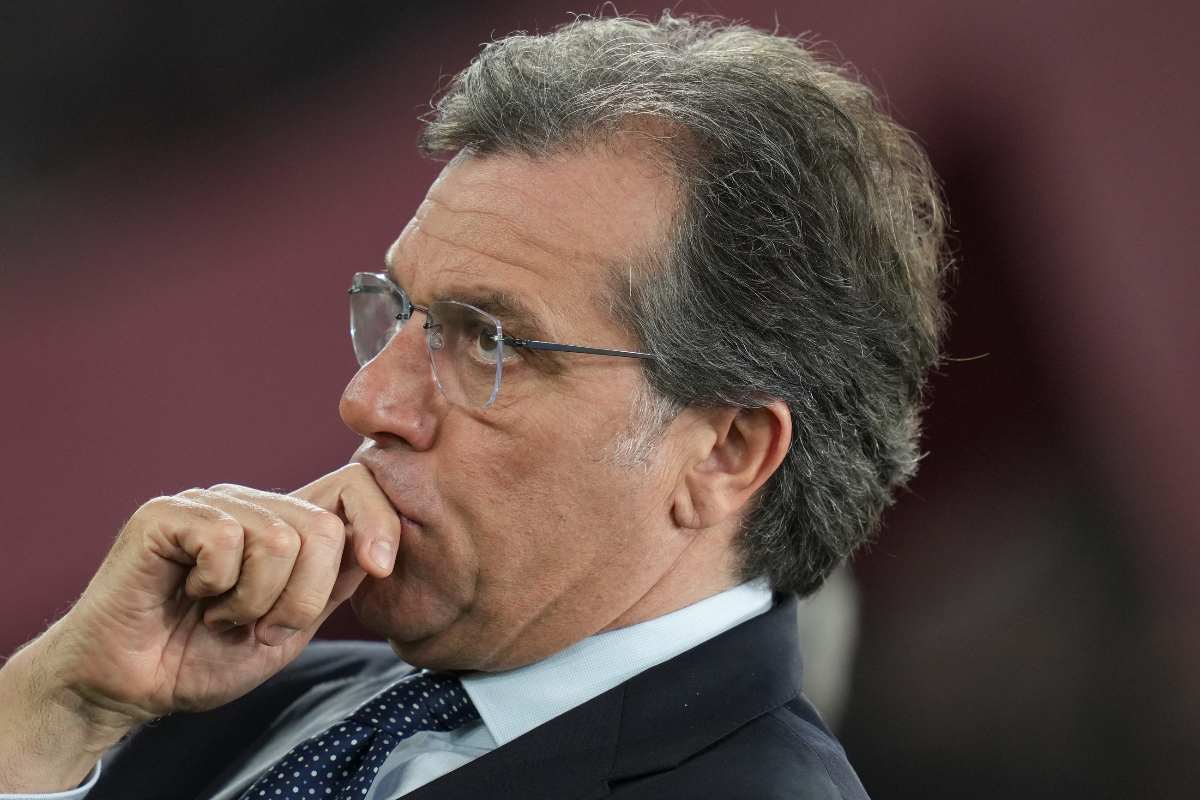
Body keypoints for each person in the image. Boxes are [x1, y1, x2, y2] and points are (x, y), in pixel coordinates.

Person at [0, 12, 948, 800]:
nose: (369, 400)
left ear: (725, 452)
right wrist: (49, 717)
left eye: (491, 341)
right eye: (401, 314)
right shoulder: (201, 697)